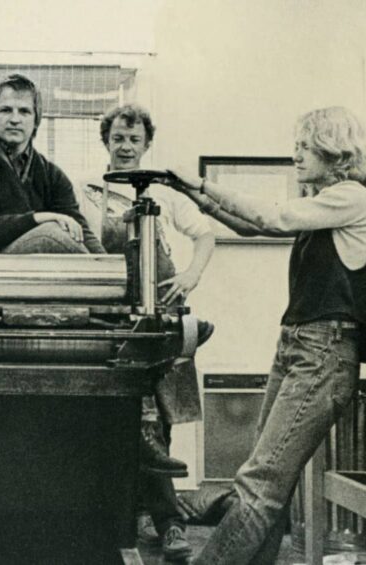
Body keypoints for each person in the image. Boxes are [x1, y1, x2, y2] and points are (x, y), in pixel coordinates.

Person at [162, 106, 366, 564]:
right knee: (267, 487)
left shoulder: (352, 196)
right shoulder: (326, 204)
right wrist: (191, 195)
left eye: (305, 145)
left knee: (258, 486)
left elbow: (272, 219)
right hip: (299, 347)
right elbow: (249, 224)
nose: (296, 155)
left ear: (335, 153)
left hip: (323, 352)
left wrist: (200, 184)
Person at [77, 103, 216, 561]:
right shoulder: (91, 192)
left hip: (163, 310)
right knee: (127, 417)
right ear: (107, 141)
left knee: (164, 414)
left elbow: (205, 235)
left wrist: (190, 277)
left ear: (146, 144)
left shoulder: (164, 191)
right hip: (115, 311)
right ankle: (143, 517)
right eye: (118, 138)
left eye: (135, 140)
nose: (126, 146)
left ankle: (167, 522)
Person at [0, 73, 104, 254]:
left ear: (36, 120)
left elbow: (80, 230)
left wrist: (110, 268)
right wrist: (38, 218)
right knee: (51, 233)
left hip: (36, 273)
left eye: (24, 111)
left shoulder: (52, 174)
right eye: (6, 110)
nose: (15, 119)